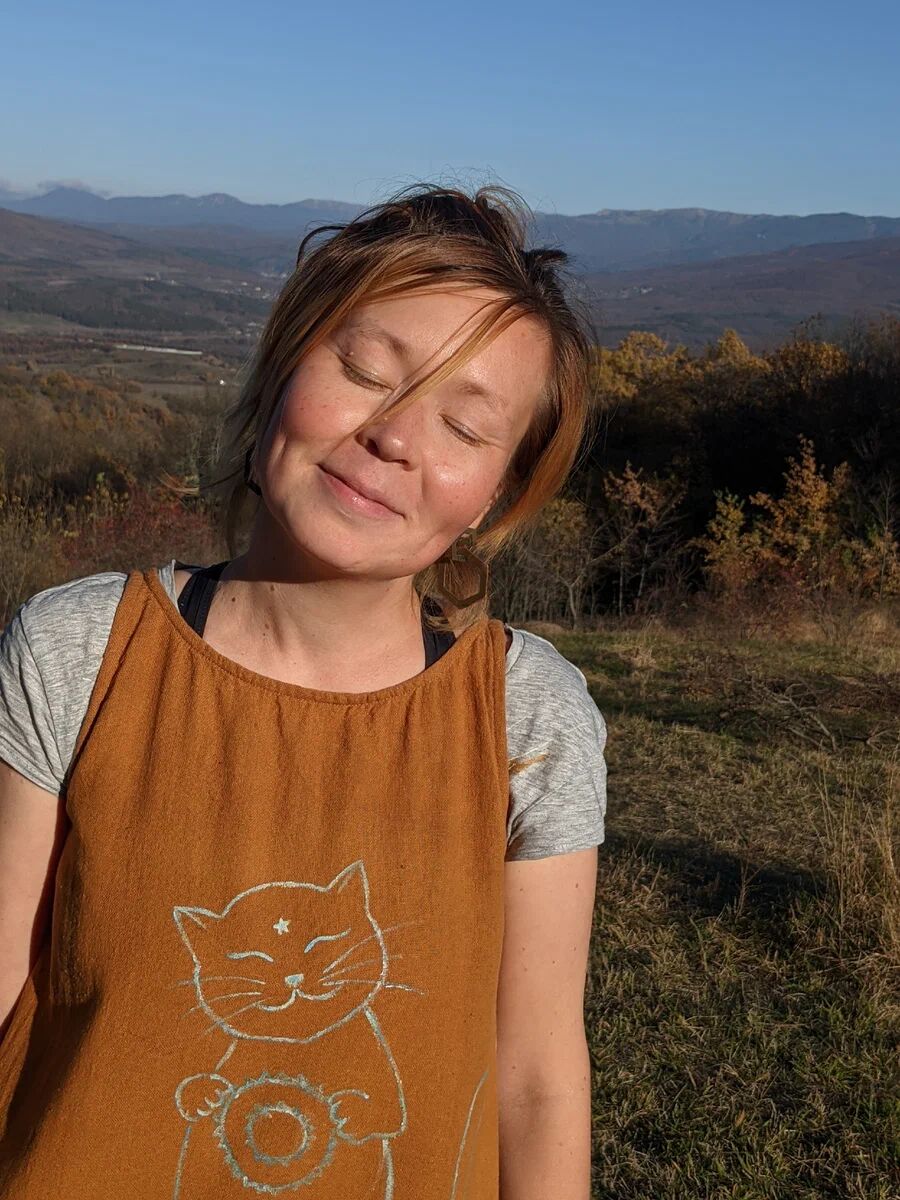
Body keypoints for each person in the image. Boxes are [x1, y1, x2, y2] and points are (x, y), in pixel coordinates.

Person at [0, 183, 608, 1198]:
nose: (395, 436)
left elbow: (538, 1079)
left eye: (465, 428)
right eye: (365, 371)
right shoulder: (78, 651)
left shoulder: (525, 717)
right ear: (283, 365)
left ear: (496, 497)